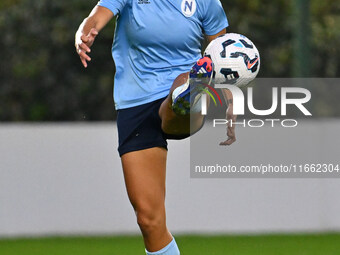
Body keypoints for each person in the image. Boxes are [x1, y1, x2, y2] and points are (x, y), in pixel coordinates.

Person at [75, 0, 235, 254]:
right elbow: (97, 16)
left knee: (179, 94)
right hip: (135, 101)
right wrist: (84, 32)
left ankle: (187, 93)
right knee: (148, 220)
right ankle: (184, 95)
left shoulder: (206, 3)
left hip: (183, 92)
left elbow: (223, 55)